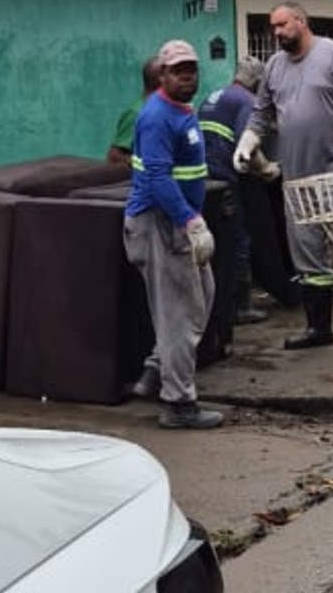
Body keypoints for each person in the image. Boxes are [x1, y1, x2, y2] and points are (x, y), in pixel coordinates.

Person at [233, 0, 333, 350]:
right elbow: (261, 114)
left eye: (282, 25)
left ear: (301, 22)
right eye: (273, 26)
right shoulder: (274, 67)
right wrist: (248, 143)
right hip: (297, 177)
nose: (276, 32)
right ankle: (318, 328)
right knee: (307, 254)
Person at [122, 39, 223, 430]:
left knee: (205, 295)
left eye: (191, 69)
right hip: (161, 224)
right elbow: (159, 178)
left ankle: (156, 368)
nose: (187, 76)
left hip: (176, 221)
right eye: (178, 70)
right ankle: (178, 403)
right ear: (161, 75)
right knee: (181, 313)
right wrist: (190, 221)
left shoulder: (181, 111)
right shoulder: (157, 117)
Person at [199, 55, 278, 335]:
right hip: (226, 178)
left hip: (203, 180)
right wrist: (268, 170)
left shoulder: (213, 96)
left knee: (215, 241)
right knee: (239, 239)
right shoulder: (247, 102)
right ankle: (240, 306)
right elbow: (249, 148)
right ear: (257, 83)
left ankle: (216, 303)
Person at [107, 55, 161, 164]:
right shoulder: (137, 113)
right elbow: (114, 156)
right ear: (163, 79)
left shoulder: (168, 111)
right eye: (174, 73)